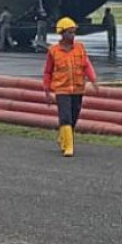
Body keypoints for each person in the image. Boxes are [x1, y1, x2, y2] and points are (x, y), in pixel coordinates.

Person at [43, 18, 98, 157]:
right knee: (65, 117)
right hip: (62, 89)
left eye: (74, 32)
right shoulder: (53, 51)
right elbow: (47, 71)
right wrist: (47, 90)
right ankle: (69, 146)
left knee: (74, 116)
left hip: (78, 89)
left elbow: (86, 65)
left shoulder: (80, 48)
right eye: (69, 32)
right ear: (62, 33)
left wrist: (93, 79)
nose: (73, 35)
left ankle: (64, 135)